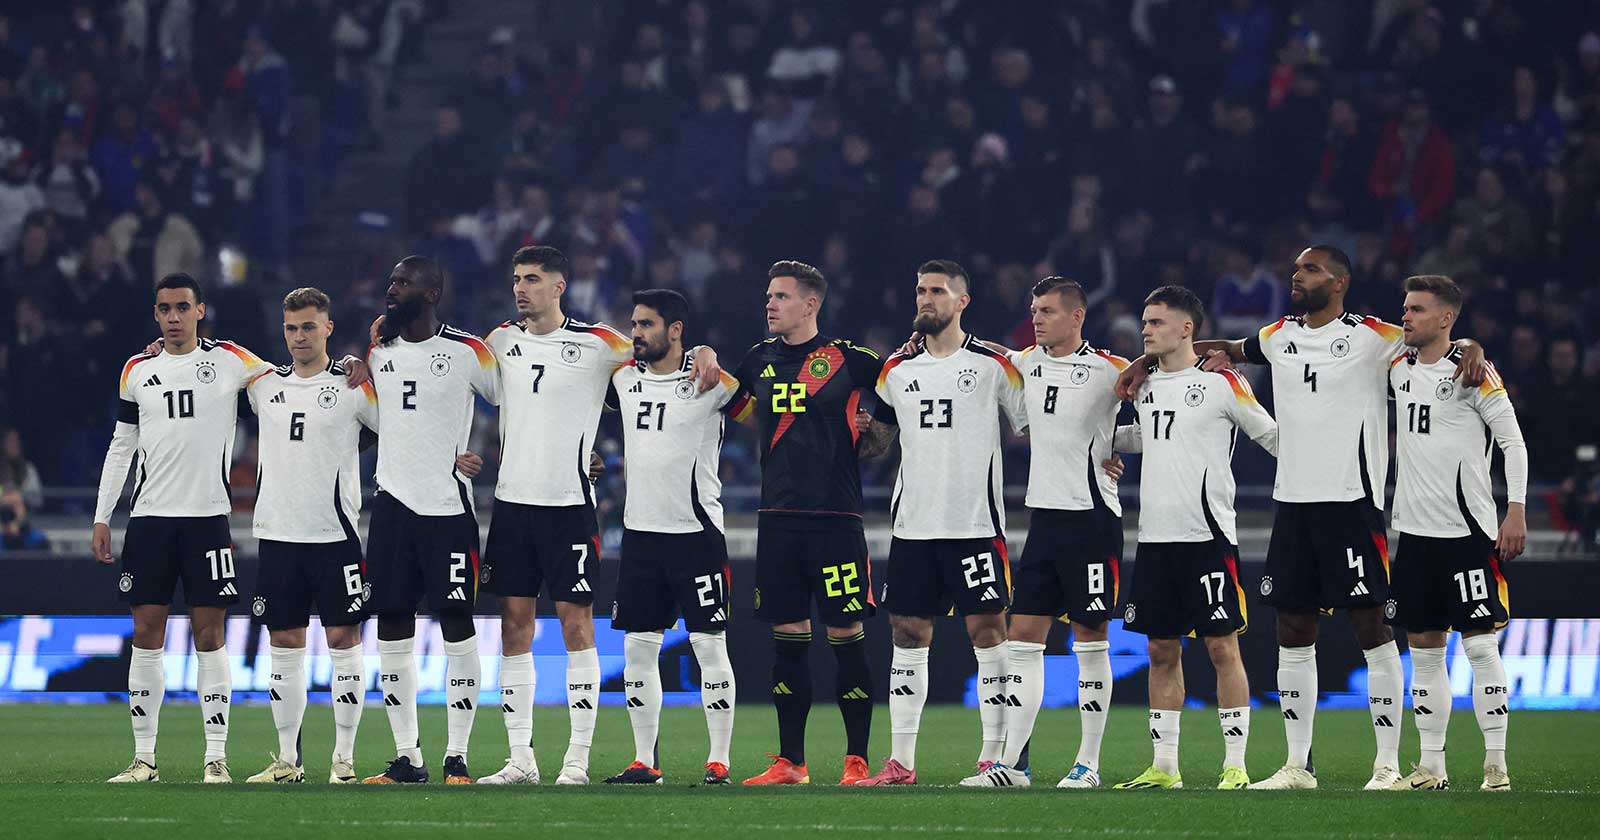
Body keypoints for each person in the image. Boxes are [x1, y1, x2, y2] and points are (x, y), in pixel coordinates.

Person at [1117, 245, 1484, 790]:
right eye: (1295, 268)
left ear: (1339, 282)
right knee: (1293, 627)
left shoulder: (1374, 335)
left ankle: (1385, 764)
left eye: (1309, 269)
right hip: (1294, 503)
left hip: (1352, 503)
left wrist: (1472, 344)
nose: (1296, 276)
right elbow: (1220, 348)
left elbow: (1432, 339)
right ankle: (1296, 766)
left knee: (1371, 626)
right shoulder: (1277, 335)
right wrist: (1147, 359)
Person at [474, 247, 720, 786]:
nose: (521, 288)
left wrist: (702, 349)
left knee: (576, 627)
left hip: (569, 507)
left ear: (559, 287)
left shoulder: (600, 344)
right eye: (516, 279)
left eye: (533, 279)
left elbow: (661, 354)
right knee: (513, 630)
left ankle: (576, 761)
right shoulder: (499, 341)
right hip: (512, 506)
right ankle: (521, 760)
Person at [241, 288, 480, 784]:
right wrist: (161, 349)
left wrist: (451, 456)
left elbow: (404, 426)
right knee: (284, 643)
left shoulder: (357, 385)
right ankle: (288, 761)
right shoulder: (261, 382)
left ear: (328, 327)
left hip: (336, 534)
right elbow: (206, 365)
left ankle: (343, 761)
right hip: (278, 534)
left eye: (309, 326)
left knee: (345, 641)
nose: (299, 336)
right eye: (291, 327)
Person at [93, 273, 274, 784]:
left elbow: (287, 377)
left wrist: (342, 367)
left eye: (181, 308)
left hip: (208, 519)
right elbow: (121, 446)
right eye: (164, 309)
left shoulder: (230, 360)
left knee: (210, 635)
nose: (173, 317)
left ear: (200, 311)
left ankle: (215, 757)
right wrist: (103, 515)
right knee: (146, 634)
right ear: (156, 314)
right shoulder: (137, 369)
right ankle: (144, 759)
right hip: (149, 520)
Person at [856, 260, 1025, 786]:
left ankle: (995, 756)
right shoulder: (895, 370)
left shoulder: (996, 362)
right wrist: (862, 434)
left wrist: (1100, 456)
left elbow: (1034, 423)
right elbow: (877, 446)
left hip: (975, 522)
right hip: (913, 525)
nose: (924, 299)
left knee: (988, 629)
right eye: (919, 290)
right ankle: (901, 761)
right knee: (906, 631)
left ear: (962, 301)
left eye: (936, 291)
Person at [1111, 285, 1277, 791]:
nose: (1146, 330)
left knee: (1222, 648)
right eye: (1144, 322)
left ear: (1187, 328)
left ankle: (1235, 765)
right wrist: (1105, 443)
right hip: (1155, 540)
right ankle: (1164, 768)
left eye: (1156, 322)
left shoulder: (1225, 383)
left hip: (1207, 537)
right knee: (1162, 650)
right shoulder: (1147, 385)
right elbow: (1149, 437)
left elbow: (1270, 436)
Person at [966, 276, 1129, 789]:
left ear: (1077, 316)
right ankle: (1013, 765)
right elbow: (982, 352)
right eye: (1034, 309)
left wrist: (1116, 444)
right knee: (1023, 641)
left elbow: (1160, 418)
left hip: (1093, 520)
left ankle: (1089, 764)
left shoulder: (1112, 370)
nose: (1037, 318)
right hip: (1044, 520)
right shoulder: (1022, 364)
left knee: (1089, 640)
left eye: (1049, 311)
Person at [735, 260, 894, 786]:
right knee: (787, 638)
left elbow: (901, 400)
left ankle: (856, 761)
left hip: (835, 519)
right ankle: (790, 762)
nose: (770, 304)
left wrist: (874, 434)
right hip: (777, 520)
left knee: (845, 634)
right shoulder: (757, 359)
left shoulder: (851, 360)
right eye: (769, 295)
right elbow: (739, 410)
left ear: (810, 304)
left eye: (780, 296)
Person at [604, 289, 751, 786]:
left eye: (646, 324)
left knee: (710, 646)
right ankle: (645, 760)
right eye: (633, 324)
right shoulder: (621, 379)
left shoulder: (713, 381)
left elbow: (768, 418)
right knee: (637, 650)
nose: (636, 333)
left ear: (675, 329)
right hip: (641, 537)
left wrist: (710, 354)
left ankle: (720, 759)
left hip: (697, 536)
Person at [361, 256, 499, 785]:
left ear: (433, 292)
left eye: (403, 283)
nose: (391, 289)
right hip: (393, 507)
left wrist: (482, 451)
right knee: (391, 624)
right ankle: (407, 758)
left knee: (457, 626)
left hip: (448, 509)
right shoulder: (378, 351)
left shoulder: (468, 352)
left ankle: (457, 756)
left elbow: (519, 403)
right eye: (391, 280)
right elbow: (369, 417)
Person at [1386, 274, 1524, 792]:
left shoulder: (1474, 372)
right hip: (1415, 535)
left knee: (1481, 648)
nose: (1406, 316)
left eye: (1417, 310)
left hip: (1467, 532)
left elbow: (1513, 443)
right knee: (1423, 649)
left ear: (1445, 318)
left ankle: (1496, 766)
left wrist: (1517, 511)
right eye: (1405, 308)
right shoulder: (1396, 364)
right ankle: (1431, 766)